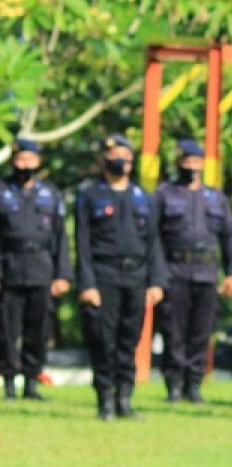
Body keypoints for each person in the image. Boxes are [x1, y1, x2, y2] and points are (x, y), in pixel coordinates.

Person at [75, 134, 166, 420]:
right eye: (116, 156)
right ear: (104, 160)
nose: (123, 162)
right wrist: (87, 283)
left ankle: (125, 398)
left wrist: (156, 280)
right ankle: (105, 398)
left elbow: (153, 243)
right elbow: (82, 244)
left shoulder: (143, 197)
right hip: (104, 275)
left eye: (127, 157)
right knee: (103, 339)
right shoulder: (90, 196)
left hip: (136, 276)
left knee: (130, 339)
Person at [152, 138, 232, 403]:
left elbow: (229, 237)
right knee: (173, 330)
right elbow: (153, 239)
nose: (192, 166)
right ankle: (173, 383)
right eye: (187, 161)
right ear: (178, 163)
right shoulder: (164, 194)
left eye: (196, 161)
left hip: (206, 272)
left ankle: (193, 384)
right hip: (174, 270)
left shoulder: (216, 197)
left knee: (201, 331)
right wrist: (157, 276)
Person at [0, 138, 71, 401]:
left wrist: (62, 274)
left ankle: (31, 382)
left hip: (41, 269)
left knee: (38, 330)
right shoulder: (3, 190)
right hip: (10, 269)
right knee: (7, 330)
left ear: (38, 162)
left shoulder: (50, 194)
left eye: (29, 160)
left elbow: (61, 238)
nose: (24, 165)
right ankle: (8, 382)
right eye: (20, 160)